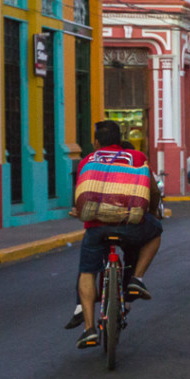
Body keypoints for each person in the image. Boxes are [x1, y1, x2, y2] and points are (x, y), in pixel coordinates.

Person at [70, 120, 162, 349]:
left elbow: (79, 195)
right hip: (129, 223)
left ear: (96, 142)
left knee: (87, 272)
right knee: (156, 232)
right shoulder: (136, 157)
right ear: (120, 141)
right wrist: (152, 212)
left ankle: (89, 328)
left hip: (95, 228)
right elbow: (152, 189)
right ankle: (136, 279)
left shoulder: (87, 161)